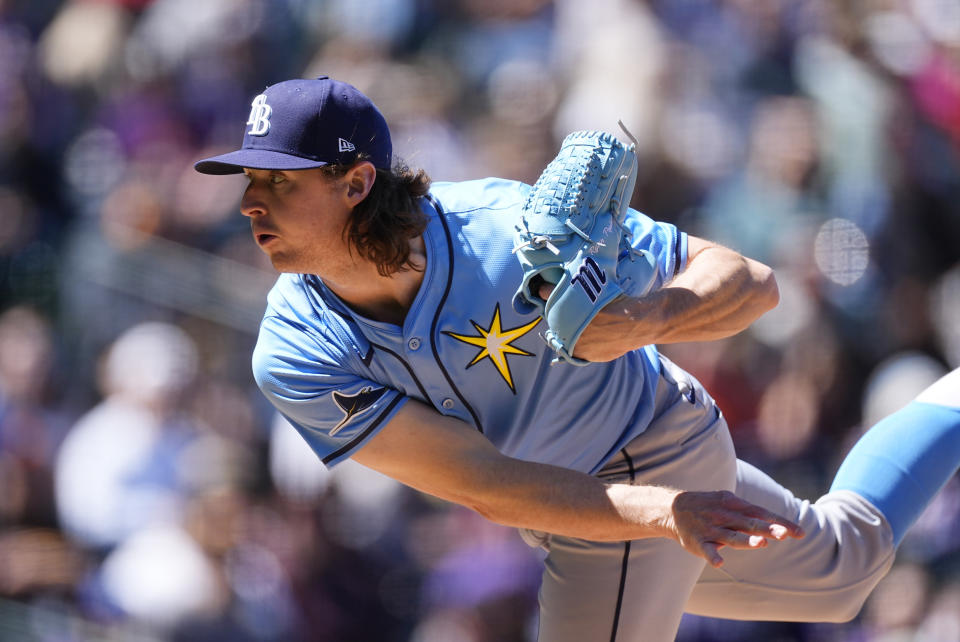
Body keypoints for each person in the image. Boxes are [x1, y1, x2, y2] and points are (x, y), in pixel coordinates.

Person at [194, 76, 960, 641]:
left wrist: (643, 317)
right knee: (843, 571)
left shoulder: (506, 227)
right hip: (596, 500)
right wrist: (669, 516)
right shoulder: (293, 350)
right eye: (249, 181)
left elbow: (750, 283)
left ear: (357, 181)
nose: (250, 203)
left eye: (277, 182)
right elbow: (487, 486)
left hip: (649, 451)